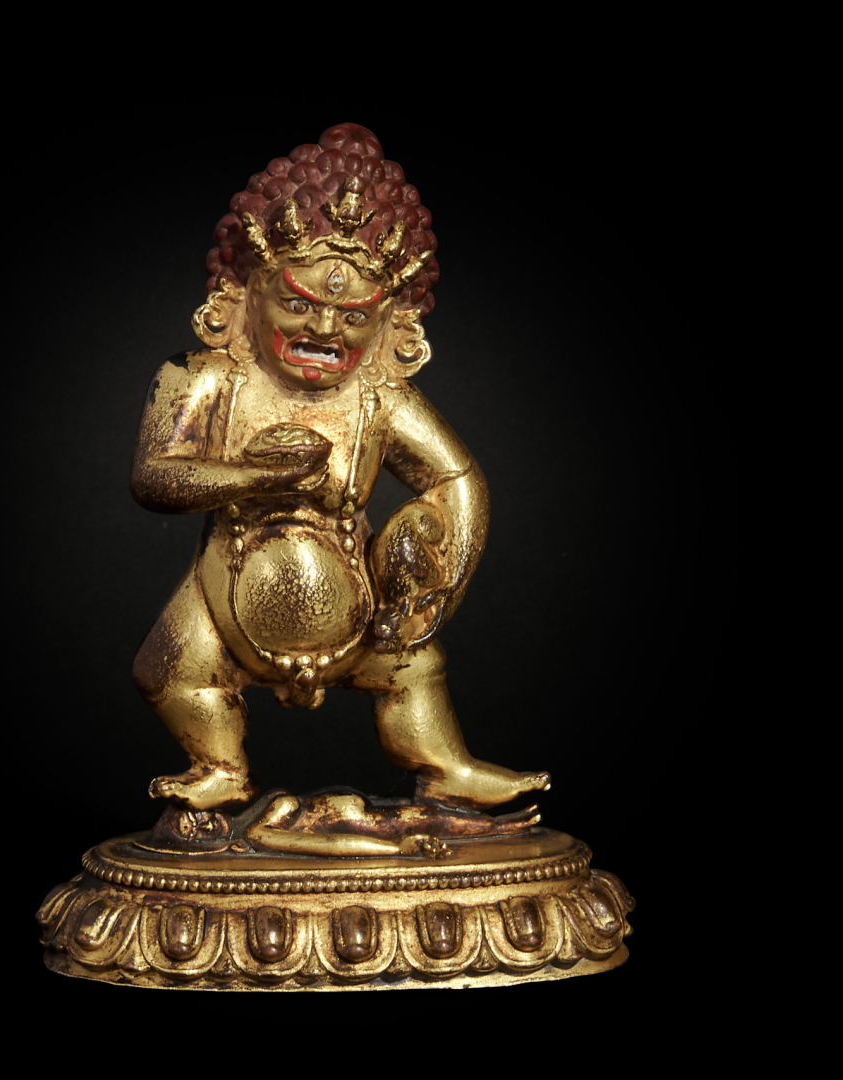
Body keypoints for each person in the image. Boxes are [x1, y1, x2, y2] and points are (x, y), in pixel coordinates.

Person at [131, 124, 548, 814]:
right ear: (249, 292)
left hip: (359, 609)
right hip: (223, 597)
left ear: (387, 321)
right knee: (169, 672)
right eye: (298, 303)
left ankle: (447, 767)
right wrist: (257, 479)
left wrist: (437, 583)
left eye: (353, 315)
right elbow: (155, 477)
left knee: (414, 668)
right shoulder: (202, 380)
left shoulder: (381, 399)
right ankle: (221, 766)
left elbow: (455, 478)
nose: (324, 329)